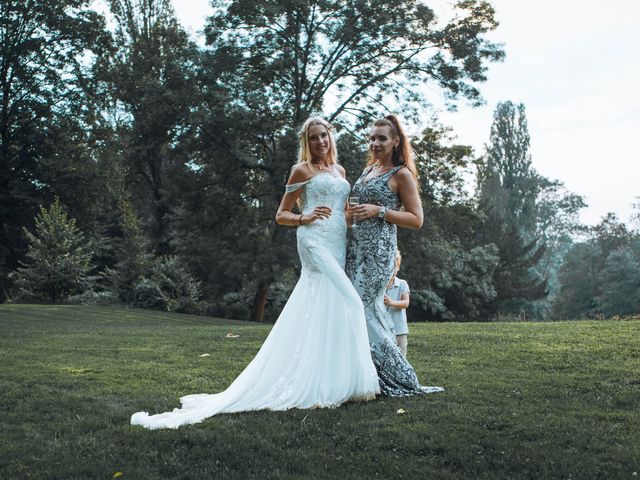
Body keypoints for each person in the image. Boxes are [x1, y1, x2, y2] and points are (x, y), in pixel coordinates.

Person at [130, 117, 379, 429]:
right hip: (314, 242)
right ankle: (358, 383)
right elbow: (280, 215)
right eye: (314, 138)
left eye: (324, 136)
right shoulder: (301, 171)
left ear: (331, 138)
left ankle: (330, 381)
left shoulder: (340, 172)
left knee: (328, 307)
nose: (320, 142)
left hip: (338, 240)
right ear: (307, 142)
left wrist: (353, 218)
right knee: (352, 303)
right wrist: (305, 216)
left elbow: (341, 211)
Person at [347, 114, 442, 396]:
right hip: (355, 251)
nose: (375, 143)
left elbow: (416, 219)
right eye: (372, 138)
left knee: (364, 309)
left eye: (382, 138)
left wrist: (380, 211)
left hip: (379, 253)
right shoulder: (367, 171)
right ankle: (368, 375)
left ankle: (403, 377)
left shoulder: (401, 175)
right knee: (364, 310)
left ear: (395, 142)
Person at [385, 250, 410, 356]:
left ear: (398, 267)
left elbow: (406, 303)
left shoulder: (402, 284)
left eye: (396, 266)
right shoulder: (381, 286)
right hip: (384, 330)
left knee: (401, 356)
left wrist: (392, 303)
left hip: (399, 330)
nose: (393, 269)